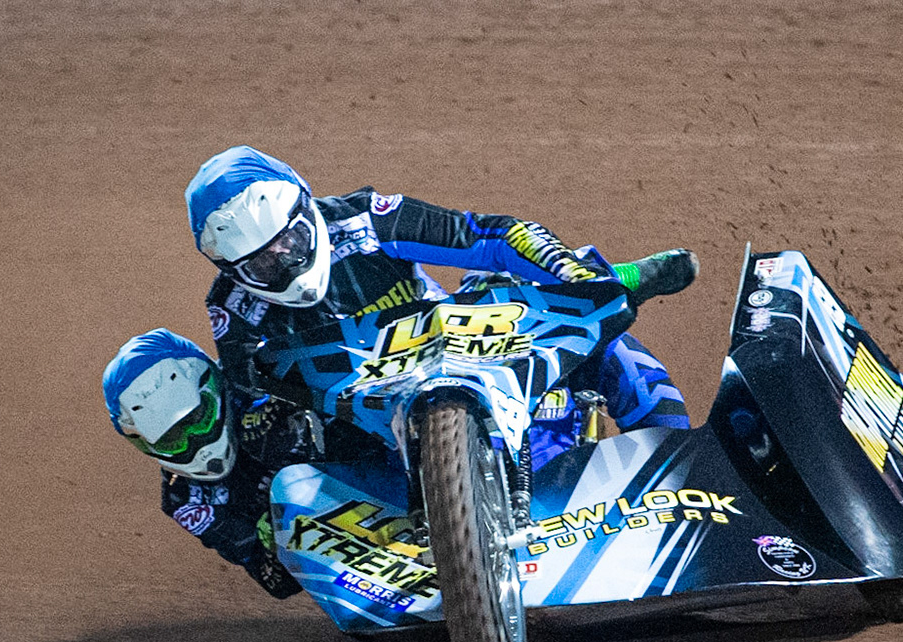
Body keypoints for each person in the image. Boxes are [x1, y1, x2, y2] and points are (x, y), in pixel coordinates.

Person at [184, 146, 695, 464]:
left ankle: (678, 466)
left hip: (467, 345)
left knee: (555, 308)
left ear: (306, 206)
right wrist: (272, 420)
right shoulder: (231, 309)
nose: (289, 266)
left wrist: (574, 277)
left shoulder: (365, 219)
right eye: (265, 267)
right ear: (234, 272)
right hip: (366, 428)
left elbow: (492, 235)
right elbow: (247, 399)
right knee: (287, 469)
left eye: (292, 243)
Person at [102, 327, 342, 599]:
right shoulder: (186, 501)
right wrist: (276, 537)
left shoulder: (256, 372)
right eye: (171, 439)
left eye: (196, 419)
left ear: (211, 384)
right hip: (347, 555)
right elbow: (278, 585)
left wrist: (301, 421)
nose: (195, 443)